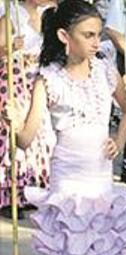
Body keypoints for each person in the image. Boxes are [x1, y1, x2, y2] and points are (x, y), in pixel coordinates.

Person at [6, 0, 126, 255]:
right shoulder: (48, 78)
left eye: (99, 34)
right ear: (65, 37)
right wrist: (13, 122)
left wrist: (119, 138)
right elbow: (28, 138)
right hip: (70, 181)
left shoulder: (104, 72)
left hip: (100, 180)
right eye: (89, 35)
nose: (97, 42)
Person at [0, 0, 55, 219]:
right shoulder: (12, 14)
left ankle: (32, 186)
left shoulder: (49, 14)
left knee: (39, 132)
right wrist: (10, 48)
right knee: (14, 129)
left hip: (38, 79)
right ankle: (9, 191)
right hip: (15, 78)